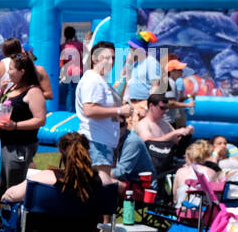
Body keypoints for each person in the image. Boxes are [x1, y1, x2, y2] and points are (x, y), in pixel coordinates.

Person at [1, 131, 109, 205]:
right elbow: (118, 186)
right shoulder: (101, 179)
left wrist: (4, 197)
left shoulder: (46, 178)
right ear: (86, 153)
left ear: (61, 154)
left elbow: (10, 195)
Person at [75, 40, 130, 180]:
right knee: (102, 183)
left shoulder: (100, 80)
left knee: (100, 183)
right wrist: (119, 111)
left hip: (101, 141)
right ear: (94, 59)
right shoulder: (93, 80)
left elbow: (116, 99)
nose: (111, 62)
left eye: (113, 58)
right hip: (96, 142)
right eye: (106, 58)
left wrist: (125, 73)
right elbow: (90, 110)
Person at [0, 53, 48, 194]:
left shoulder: (33, 91)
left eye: (11, 68)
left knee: (14, 188)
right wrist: (0, 92)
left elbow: (40, 120)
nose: (8, 72)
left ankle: (16, 209)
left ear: (22, 72)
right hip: (3, 144)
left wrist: (15, 126)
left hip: (19, 146)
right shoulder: (11, 88)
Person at [121, 35, 162, 126]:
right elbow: (124, 78)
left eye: (132, 47)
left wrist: (147, 107)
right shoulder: (135, 63)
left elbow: (156, 87)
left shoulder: (151, 62)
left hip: (143, 104)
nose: (130, 49)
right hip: (132, 104)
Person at [172, 139, 217, 206]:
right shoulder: (212, 172)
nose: (184, 157)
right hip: (203, 210)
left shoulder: (180, 171)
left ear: (188, 156)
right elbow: (214, 196)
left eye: (185, 155)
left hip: (182, 209)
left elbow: (175, 196)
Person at [58, 25, 84, 111]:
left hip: (67, 72)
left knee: (69, 91)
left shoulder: (63, 46)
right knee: (77, 91)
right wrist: (76, 40)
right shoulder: (78, 45)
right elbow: (86, 52)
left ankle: (69, 109)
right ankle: (76, 109)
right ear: (74, 34)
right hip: (78, 71)